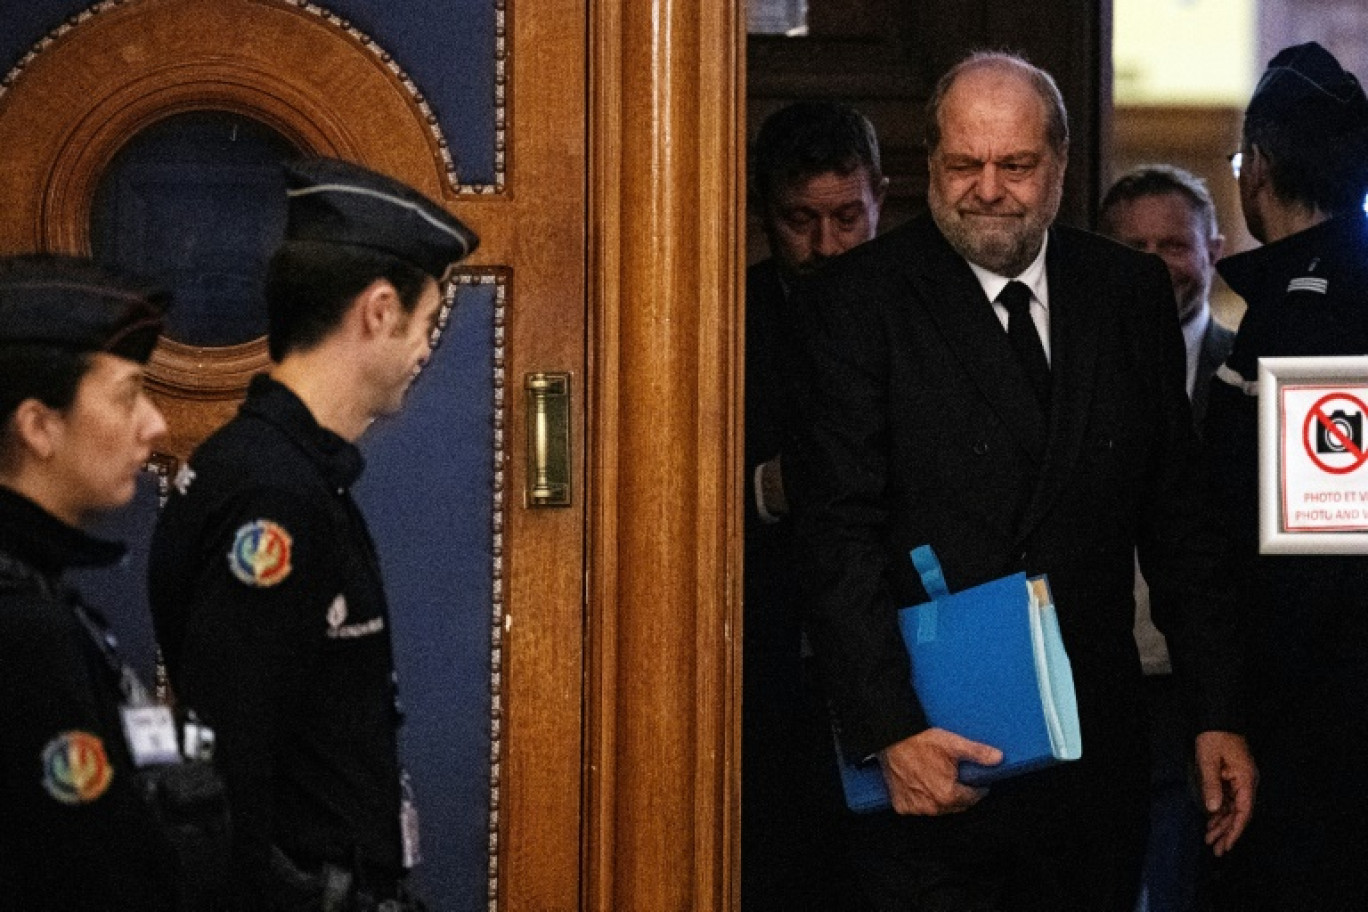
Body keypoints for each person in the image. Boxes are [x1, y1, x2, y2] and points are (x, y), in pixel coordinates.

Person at [787, 52, 1256, 911]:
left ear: (1061, 167)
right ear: (930, 165)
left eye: (1016, 166)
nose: (988, 189)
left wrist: (1215, 709)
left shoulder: (1128, 293)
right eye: (964, 165)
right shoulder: (858, 302)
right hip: (935, 748)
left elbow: (1179, 521)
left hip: (1095, 757)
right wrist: (889, 729)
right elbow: (836, 535)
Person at [148, 156, 478, 911]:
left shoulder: (291, 471)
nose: (428, 349)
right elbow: (226, 756)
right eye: (427, 323)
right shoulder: (272, 495)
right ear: (380, 309)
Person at [1203, 42, 1368, 912]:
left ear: (1258, 166)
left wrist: (1240, 718)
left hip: (1315, 740)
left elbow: (1317, 558)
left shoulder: (1312, 313)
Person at [0, 255, 178, 909]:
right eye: (129, 394)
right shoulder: (25, 629)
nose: (155, 424)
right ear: (40, 427)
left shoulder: (39, 592)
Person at [744, 100, 886, 910]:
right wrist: (773, 486)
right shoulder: (720, 322)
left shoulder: (927, 307)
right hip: (763, 662)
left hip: (906, 654)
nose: (826, 245)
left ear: (881, 199)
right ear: (765, 211)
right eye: (801, 220)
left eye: (846, 218)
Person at [1098, 165, 1234, 912]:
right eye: (1134, 246)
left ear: (1213, 248)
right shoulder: (1066, 376)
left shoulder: (1251, 372)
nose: (1155, 264)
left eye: (1173, 245)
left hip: (1205, 694)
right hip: (1093, 682)